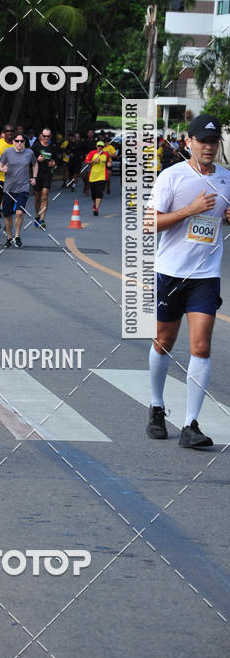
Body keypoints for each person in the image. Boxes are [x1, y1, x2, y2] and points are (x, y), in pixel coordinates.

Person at [145, 113, 230, 449]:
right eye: (202, 141)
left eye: (213, 141)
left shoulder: (226, 178)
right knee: (163, 341)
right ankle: (156, 406)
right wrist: (190, 209)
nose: (208, 147)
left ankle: (190, 424)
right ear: (188, 142)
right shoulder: (172, 177)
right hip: (171, 272)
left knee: (202, 346)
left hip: (205, 275)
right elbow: (150, 224)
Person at [0, 133, 38, 248]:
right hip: (9, 188)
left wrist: (34, 177)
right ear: (14, 141)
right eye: (17, 141)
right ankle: (9, 237)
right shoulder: (7, 152)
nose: (20, 143)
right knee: (8, 215)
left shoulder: (29, 153)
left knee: (19, 213)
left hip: (23, 188)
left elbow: (35, 164)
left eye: (22, 141)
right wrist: (2, 168)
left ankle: (17, 236)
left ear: (24, 142)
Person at [31, 128, 61, 229]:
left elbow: (56, 160)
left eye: (48, 136)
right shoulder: (35, 146)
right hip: (37, 174)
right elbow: (29, 160)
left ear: (50, 137)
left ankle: (42, 220)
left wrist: (54, 163)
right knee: (37, 197)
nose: (46, 138)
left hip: (48, 175)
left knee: (44, 196)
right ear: (41, 135)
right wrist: (37, 159)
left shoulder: (52, 147)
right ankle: (36, 216)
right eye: (44, 136)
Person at [85, 139, 111, 215]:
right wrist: (94, 161)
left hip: (102, 176)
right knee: (93, 194)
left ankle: (96, 208)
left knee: (99, 193)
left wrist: (109, 164)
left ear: (103, 147)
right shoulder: (92, 153)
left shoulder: (106, 154)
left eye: (101, 146)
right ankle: (94, 203)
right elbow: (86, 161)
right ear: (96, 146)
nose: (100, 147)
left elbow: (108, 162)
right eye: (99, 146)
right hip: (93, 176)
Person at [81, 129, 96, 194]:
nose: (90, 134)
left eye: (91, 133)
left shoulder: (96, 142)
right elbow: (80, 150)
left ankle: (87, 188)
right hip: (85, 160)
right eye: (89, 133)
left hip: (92, 161)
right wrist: (83, 154)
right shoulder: (84, 142)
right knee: (84, 175)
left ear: (93, 134)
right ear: (87, 134)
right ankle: (86, 184)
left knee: (89, 175)